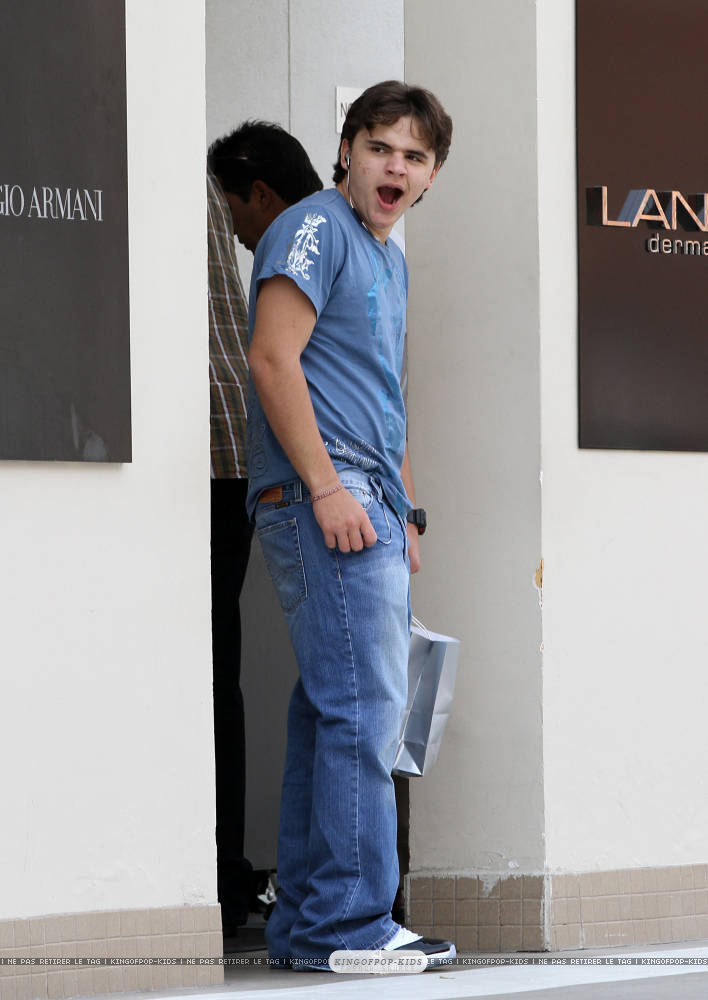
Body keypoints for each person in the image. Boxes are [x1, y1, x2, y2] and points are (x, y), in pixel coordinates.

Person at [246, 81, 453, 967]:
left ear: (431, 176)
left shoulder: (387, 257)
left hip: (370, 499)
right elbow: (272, 357)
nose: (394, 167)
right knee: (365, 708)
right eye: (379, 148)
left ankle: (307, 924)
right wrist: (329, 488)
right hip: (326, 494)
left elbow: (383, 396)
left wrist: (405, 509)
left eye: (414, 156)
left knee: (333, 709)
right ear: (346, 151)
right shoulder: (316, 228)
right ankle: (352, 924)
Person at [206, 121, 322, 936]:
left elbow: (275, 363)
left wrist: (326, 485)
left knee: (330, 694)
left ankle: (299, 897)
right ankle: (269, 888)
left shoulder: (298, 240)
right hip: (262, 468)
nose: (238, 234)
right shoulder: (353, 240)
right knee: (316, 689)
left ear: (258, 192)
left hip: (278, 475)